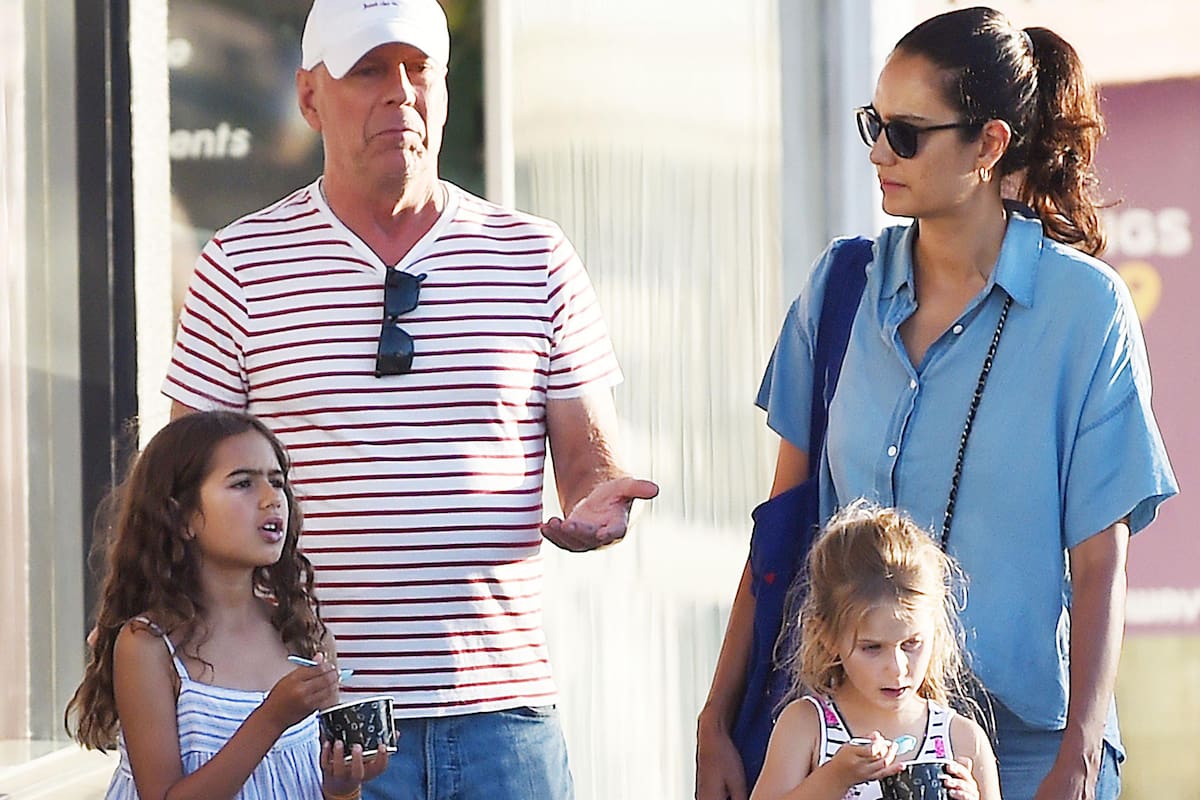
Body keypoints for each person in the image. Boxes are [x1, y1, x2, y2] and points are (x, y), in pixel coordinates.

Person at [161, 0, 658, 797]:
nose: (400, 91)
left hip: (504, 715)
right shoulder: (241, 266)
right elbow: (181, 495)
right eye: (367, 70)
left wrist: (602, 502)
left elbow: (587, 461)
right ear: (310, 97)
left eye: (419, 67)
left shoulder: (535, 255)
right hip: (315, 718)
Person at [698, 7, 1178, 800]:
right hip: (841, 742)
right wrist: (717, 719)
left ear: (989, 145)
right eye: (874, 125)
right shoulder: (839, 290)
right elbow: (781, 525)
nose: (881, 153)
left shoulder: (1084, 311)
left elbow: (1101, 563)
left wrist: (1080, 759)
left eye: (909, 133)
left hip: (1026, 752)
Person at [65, 411, 387, 800]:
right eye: (243, 483)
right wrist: (271, 719)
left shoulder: (302, 634)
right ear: (182, 516)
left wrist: (342, 786)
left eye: (277, 481)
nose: (272, 499)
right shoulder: (149, 645)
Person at [751, 502, 1001, 800]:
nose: (897, 668)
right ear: (827, 636)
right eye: (872, 648)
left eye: (911, 644)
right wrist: (835, 778)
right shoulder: (807, 725)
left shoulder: (961, 738)